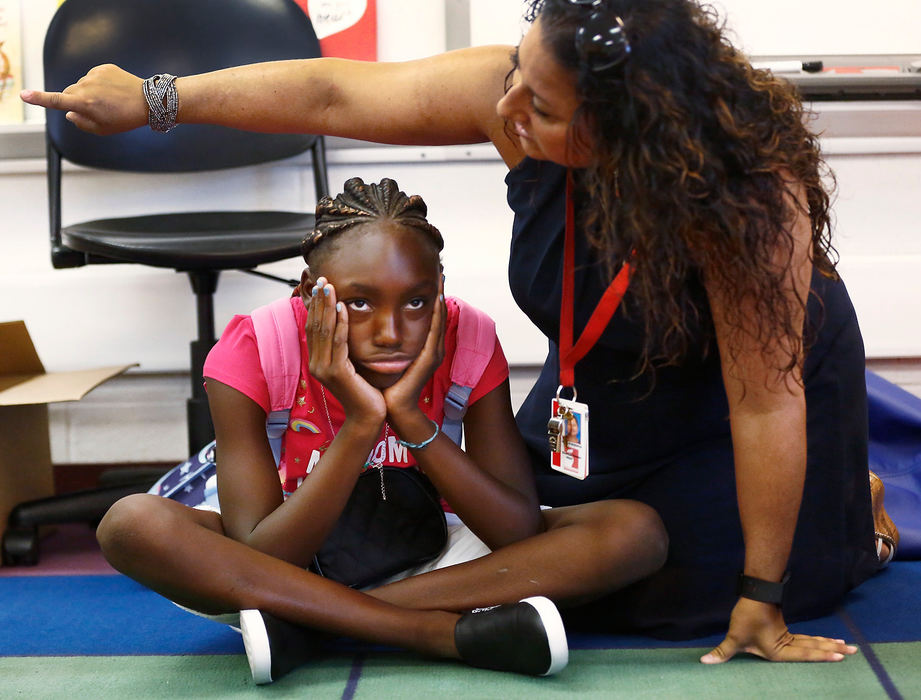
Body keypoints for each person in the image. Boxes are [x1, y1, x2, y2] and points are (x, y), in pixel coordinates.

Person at [25, 0, 889, 669]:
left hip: (730, 415)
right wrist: (154, 99)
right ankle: (417, 627)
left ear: (629, 130)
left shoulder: (746, 202)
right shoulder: (519, 99)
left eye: (540, 104)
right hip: (596, 399)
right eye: (515, 70)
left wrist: (762, 592)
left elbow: (764, 404)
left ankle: (316, 623)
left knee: (669, 581)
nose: (505, 106)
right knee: (526, 544)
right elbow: (333, 92)